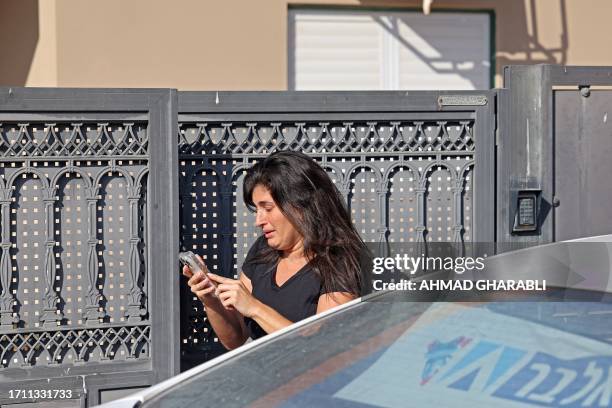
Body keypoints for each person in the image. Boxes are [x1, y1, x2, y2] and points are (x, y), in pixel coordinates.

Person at [182, 150, 367, 350]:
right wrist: (210, 299)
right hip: (262, 377)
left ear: (300, 205)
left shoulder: (338, 260)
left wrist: (255, 308)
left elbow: (321, 349)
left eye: (267, 208)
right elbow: (234, 340)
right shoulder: (263, 250)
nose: (258, 221)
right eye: (256, 209)